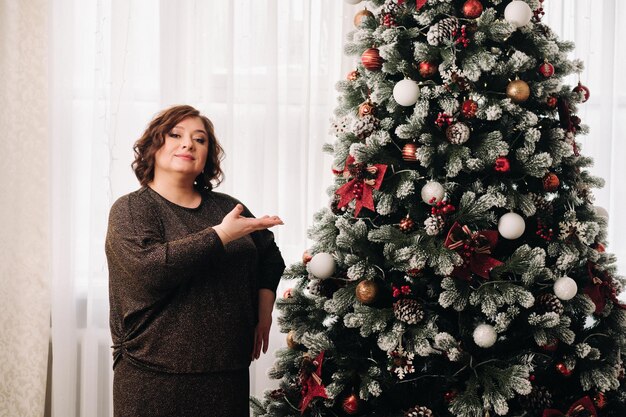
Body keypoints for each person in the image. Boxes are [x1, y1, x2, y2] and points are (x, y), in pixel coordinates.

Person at [105, 105, 286, 417]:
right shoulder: (132, 209)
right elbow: (151, 269)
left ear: (207, 157)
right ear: (153, 146)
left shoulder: (229, 207)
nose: (188, 144)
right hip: (153, 376)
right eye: (176, 135)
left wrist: (264, 312)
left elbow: (270, 257)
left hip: (227, 374)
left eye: (199, 140)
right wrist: (220, 235)